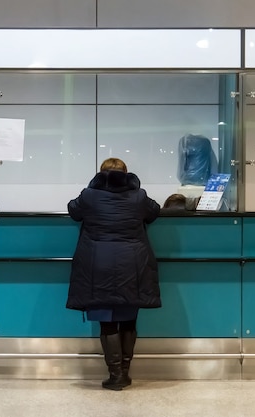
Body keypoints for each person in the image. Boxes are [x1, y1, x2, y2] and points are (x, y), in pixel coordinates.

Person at [66, 157, 161, 391]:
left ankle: (115, 374)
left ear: (100, 174)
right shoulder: (139, 196)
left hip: (99, 264)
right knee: (129, 319)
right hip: (133, 265)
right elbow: (155, 212)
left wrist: (91, 187)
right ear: (126, 174)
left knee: (107, 323)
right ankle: (125, 373)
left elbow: (73, 210)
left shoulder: (89, 196)